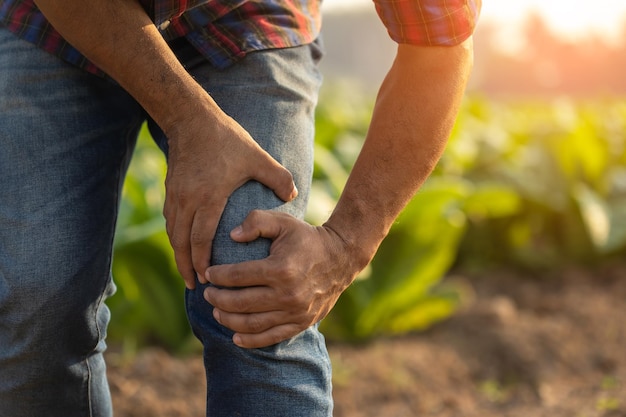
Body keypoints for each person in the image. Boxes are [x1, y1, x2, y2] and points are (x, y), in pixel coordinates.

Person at [0, 0, 480, 415]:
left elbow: (438, 45)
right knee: (35, 302)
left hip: (247, 18)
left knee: (261, 288)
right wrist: (191, 121)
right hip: (53, 25)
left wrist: (344, 246)